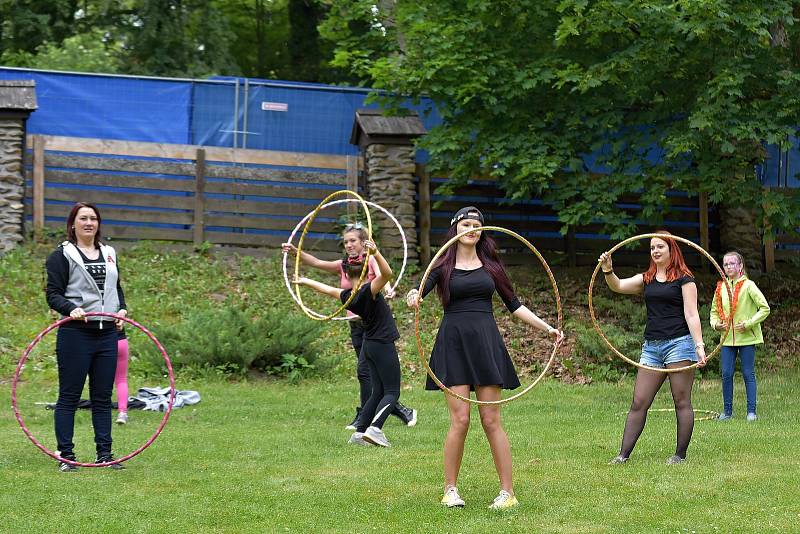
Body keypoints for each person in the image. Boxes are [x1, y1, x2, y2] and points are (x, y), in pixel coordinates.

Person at [406, 206, 564, 510]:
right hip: (453, 343)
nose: (472, 229)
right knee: (460, 419)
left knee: (491, 419)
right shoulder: (442, 266)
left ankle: (508, 493)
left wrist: (548, 329)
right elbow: (418, 292)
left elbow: (515, 306)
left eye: (477, 225)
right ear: (456, 229)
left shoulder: (492, 266)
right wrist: (412, 297)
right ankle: (450, 489)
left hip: (485, 342)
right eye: (466, 224)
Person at [282, 223, 417, 428]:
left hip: (372, 326)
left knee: (371, 374)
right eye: (345, 241)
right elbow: (318, 263)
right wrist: (295, 253)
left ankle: (369, 417)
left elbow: (384, 276)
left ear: (364, 242)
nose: (349, 244)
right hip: (358, 326)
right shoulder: (345, 264)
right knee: (370, 375)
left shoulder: (370, 260)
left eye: (353, 240)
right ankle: (371, 418)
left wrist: (389, 289)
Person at [599, 231, 707, 466]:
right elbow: (617, 286)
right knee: (639, 401)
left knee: (681, 400)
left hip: (679, 344)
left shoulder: (684, 279)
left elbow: (692, 314)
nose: (655, 251)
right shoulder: (646, 278)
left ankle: (679, 455)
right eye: (652, 248)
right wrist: (608, 269)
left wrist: (699, 346)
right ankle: (622, 455)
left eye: (660, 247)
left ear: (671, 249)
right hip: (652, 348)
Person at [45, 202, 127, 471]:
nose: (89, 223)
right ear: (73, 224)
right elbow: (53, 294)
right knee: (69, 396)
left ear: (98, 224)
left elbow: (115, 288)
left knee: (102, 397)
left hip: (106, 335)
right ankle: (66, 456)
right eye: (83, 218)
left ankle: (105, 455)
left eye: (93, 218)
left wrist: (121, 309)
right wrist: (71, 308)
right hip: (75, 334)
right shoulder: (62, 256)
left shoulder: (110, 253)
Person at [294, 240, 401, 447]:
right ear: (364, 275)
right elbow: (387, 274)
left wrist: (305, 281)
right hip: (382, 344)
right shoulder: (369, 290)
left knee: (377, 391)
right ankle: (375, 429)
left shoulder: (347, 295)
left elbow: (326, 289)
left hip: (368, 345)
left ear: (348, 277)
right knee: (392, 392)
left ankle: (360, 433)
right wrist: (377, 253)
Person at [710, 251, 770, 421]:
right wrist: (716, 324)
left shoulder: (749, 285)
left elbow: (765, 308)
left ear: (740, 266)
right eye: (726, 264)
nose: (729, 267)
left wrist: (749, 323)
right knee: (726, 374)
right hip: (727, 339)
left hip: (747, 338)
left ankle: (751, 412)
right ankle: (727, 412)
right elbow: (714, 312)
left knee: (747, 373)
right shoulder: (721, 287)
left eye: (732, 263)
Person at [115, 329, 130, 424]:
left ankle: (99, 411)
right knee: (121, 380)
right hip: (121, 341)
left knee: (98, 379)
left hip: (102, 341)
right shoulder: (119, 313)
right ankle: (122, 413)